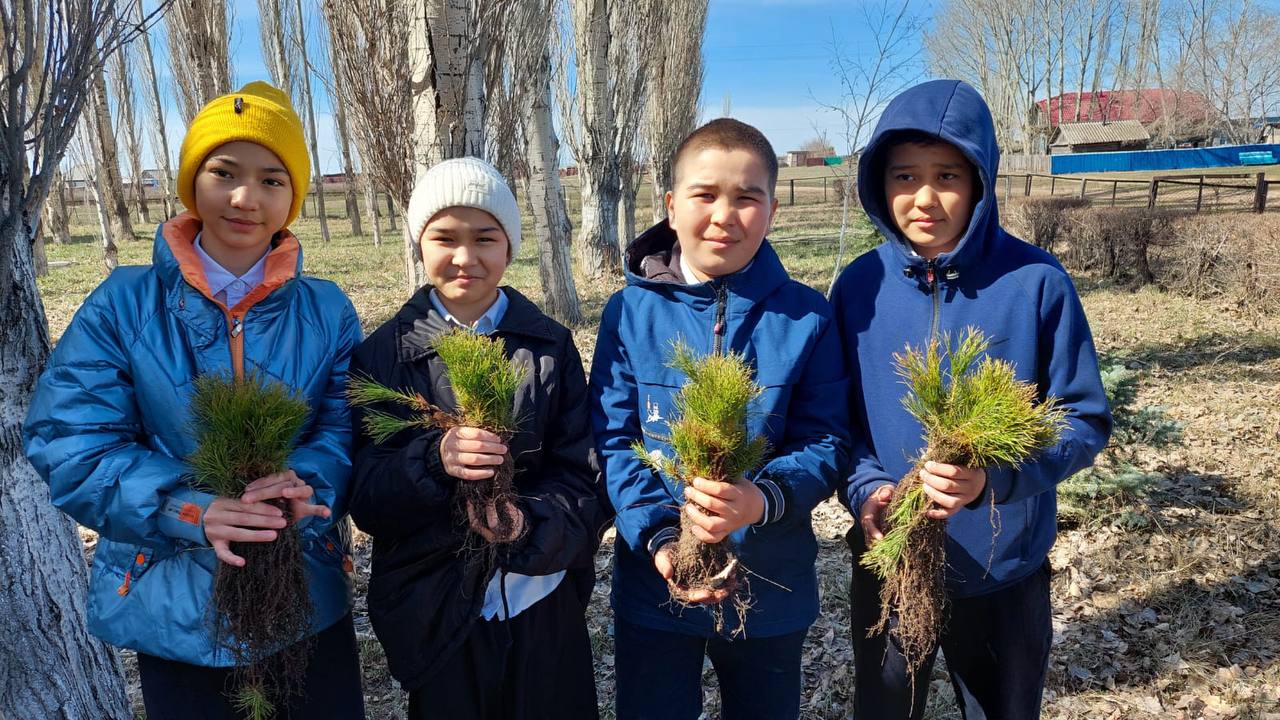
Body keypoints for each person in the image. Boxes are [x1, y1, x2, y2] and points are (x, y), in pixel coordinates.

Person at [24, 81, 365, 718]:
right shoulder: (124, 305)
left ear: (292, 197)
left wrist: (307, 490)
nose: (245, 198)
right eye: (223, 172)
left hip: (302, 593)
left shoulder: (327, 309)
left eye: (271, 180)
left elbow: (343, 426)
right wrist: (188, 510)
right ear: (192, 181)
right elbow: (70, 439)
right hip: (173, 605)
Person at [830, 79, 1113, 719]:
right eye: (904, 176)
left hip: (1002, 569)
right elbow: (837, 420)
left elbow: (1083, 418)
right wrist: (867, 487)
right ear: (879, 181)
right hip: (893, 561)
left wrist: (994, 480)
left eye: (948, 176)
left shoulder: (1036, 282)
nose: (924, 198)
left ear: (980, 181)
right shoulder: (858, 287)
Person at [589, 118, 850, 719]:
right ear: (672, 206)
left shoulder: (807, 318)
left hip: (770, 587)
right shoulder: (629, 313)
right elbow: (615, 440)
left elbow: (826, 439)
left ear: (773, 210)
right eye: (705, 195)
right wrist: (659, 539)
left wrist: (761, 500)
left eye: (747, 198)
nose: (725, 215)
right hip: (656, 589)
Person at [347, 157, 608, 719]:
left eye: (485, 237)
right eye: (444, 237)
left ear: (509, 248)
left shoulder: (548, 347)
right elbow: (367, 495)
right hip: (437, 606)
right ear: (420, 245)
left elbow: (584, 474)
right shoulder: (385, 355)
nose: (465, 258)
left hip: (542, 598)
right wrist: (433, 461)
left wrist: (529, 525)